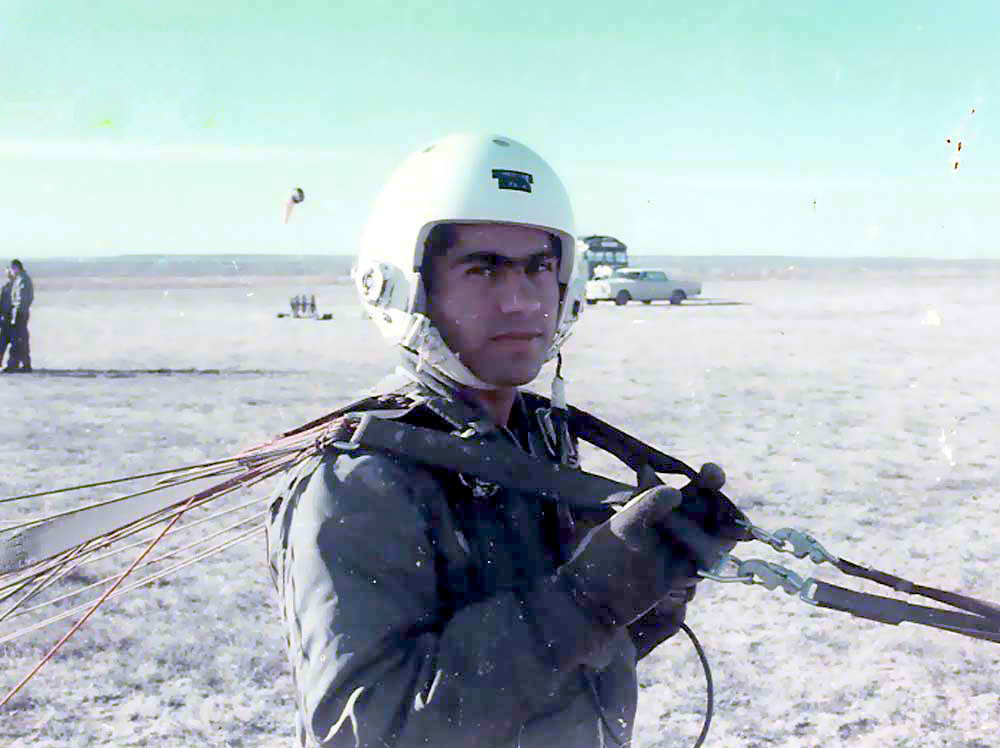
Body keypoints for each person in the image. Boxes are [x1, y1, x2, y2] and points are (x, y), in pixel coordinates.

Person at [266, 134, 740, 748]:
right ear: (408, 288)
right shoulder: (362, 482)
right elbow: (369, 730)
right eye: (482, 269)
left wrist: (649, 593)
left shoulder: (533, 441)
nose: (520, 301)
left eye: (538, 267)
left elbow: (553, 676)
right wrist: (585, 600)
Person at [5, 259, 33, 373]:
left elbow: (22, 299)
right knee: (20, 339)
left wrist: (17, 313)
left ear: (16, 268)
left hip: (20, 313)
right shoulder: (19, 279)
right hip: (19, 313)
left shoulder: (23, 280)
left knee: (19, 339)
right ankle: (21, 364)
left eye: (12, 269)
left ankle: (17, 364)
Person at [0, 266, 13, 369]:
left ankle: (13, 364)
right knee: (2, 342)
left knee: (15, 342)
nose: (9, 276)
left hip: (14, 318)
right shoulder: (5, 287)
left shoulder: (17, 287)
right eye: (8, 274)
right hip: (5, 318)